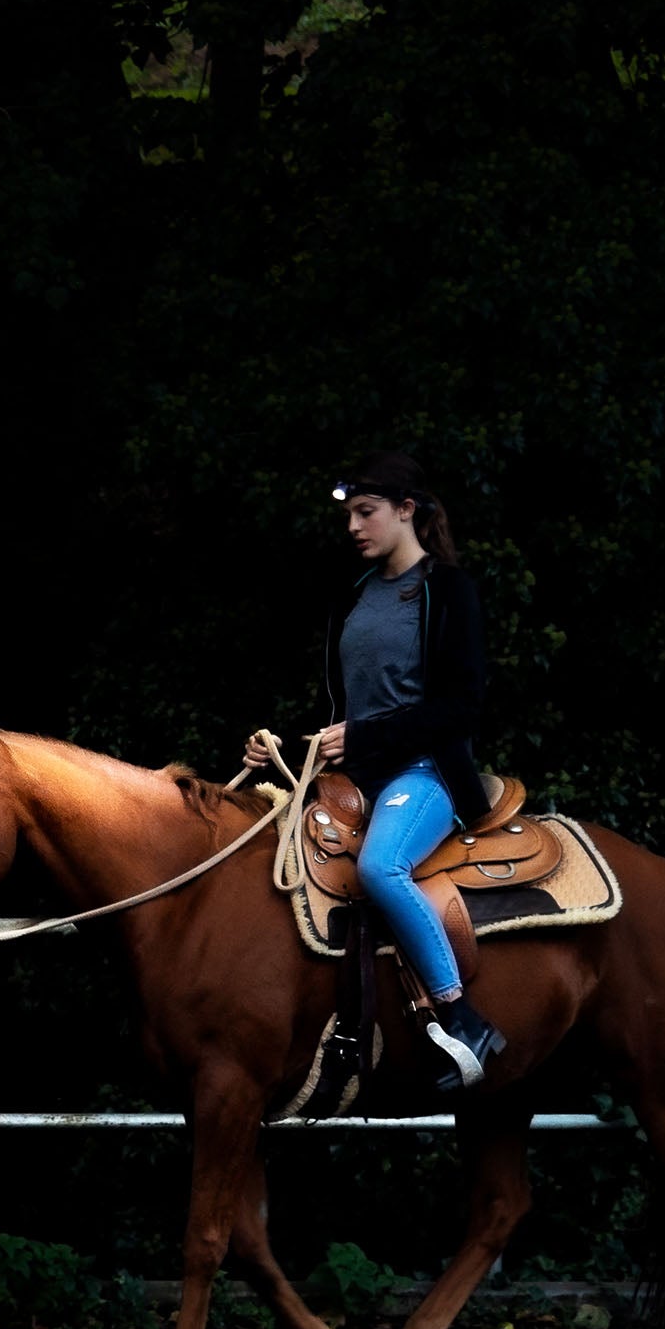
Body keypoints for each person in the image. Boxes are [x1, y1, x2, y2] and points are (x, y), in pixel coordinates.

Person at [246, 451, 505, 1092]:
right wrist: (281, 748)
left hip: (425, 772)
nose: (354, 527)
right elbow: (347, 709)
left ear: (406, 510)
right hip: (353, 782)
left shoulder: (449, 591)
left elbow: (461, 707)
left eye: (367, 513)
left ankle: (462, 1018)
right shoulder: (355, 595)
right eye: (350, 516)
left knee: (380, 867)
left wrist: (365, 736)